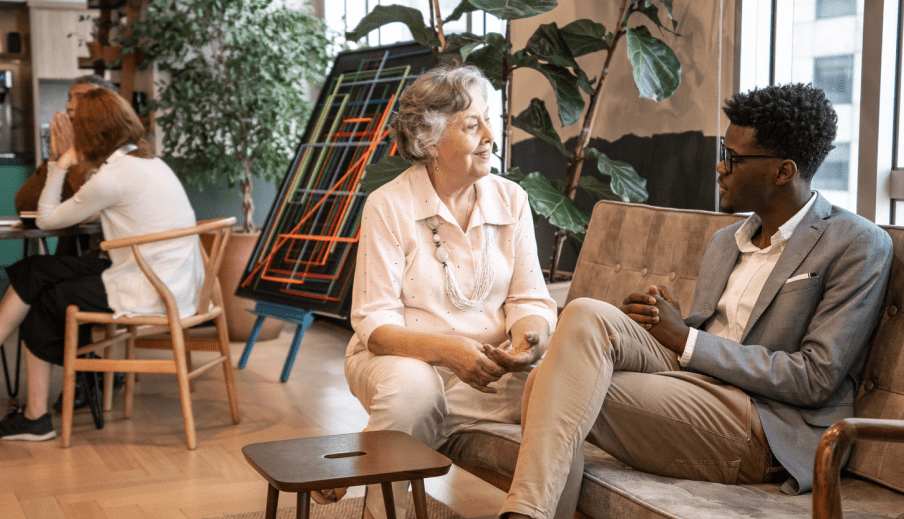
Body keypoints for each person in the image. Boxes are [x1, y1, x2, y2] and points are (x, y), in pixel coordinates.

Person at [490, 83, 894, 519]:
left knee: (548, 384)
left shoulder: (856, 244)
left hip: (768, 423)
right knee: (586, 312)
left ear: (782, 171)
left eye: (733, 158)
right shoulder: (726, 241)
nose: (720, 167)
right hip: (697, 383)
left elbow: (815, 378)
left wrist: (686, 340)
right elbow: (706, 338)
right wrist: (669, 324)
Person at [333, 65, 558, 519]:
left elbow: (529, 299)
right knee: (415, 391)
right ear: (430, 141)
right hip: (400, 358)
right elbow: (375, 325)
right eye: (472, 125)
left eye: (489, 120)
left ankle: (362, 458)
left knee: (553, 385)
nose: (491, 136)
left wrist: (526, 343)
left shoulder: (512, 199)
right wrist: (449, 351)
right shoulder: (388, 205)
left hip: (488, 369)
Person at [0, 88, 204, 441]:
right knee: (37, 270)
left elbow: (46, 219)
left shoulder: (112, 177)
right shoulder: (148, 163)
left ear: (89, 133)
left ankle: (35, 418)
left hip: (148, 286)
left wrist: (60, 164)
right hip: (167, 279)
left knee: (47, 298)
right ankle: (36, 415)